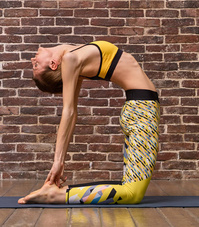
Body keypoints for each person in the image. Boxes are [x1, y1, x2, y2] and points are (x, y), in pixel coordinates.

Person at [18, 40, 160, 205]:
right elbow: (69, 111)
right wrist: (58, 161)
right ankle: (55, 196)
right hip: (142, 110)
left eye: (34, 66)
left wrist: (60, 161)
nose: (32, 61)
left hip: (139, 109)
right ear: (53, 64)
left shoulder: (72, 54)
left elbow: (72, 112)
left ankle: (55, 193)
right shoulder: (71, 58)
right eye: (36, 66)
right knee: (132, 194)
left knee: (131, 189)